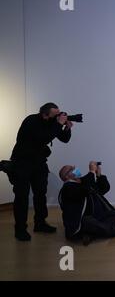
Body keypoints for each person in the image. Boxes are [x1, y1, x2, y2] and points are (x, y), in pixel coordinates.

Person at [8, 102, 73, 241]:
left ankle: (40, 223)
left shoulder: (52, 123)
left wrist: (67, 128)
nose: (58, 117)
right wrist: (58, 124)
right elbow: (43, 137)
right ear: (45, 114)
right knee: (21, 196)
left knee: (40, 193)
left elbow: (64, 139)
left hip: (38, 163)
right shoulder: (31, 121)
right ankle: (20, 229)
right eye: (56, 115)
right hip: (22, 162)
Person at [58, 161, 115, 246]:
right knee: (89, 222)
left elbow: (104, 188)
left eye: (74, 167)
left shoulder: (83, 182)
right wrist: (91, 172)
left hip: (96, 216)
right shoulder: (67, 188)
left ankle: (92, 234)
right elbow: (84, 190)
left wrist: (99, 175)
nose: (75, 169)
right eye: (71, 169)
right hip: (82, 220)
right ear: (66, 176)